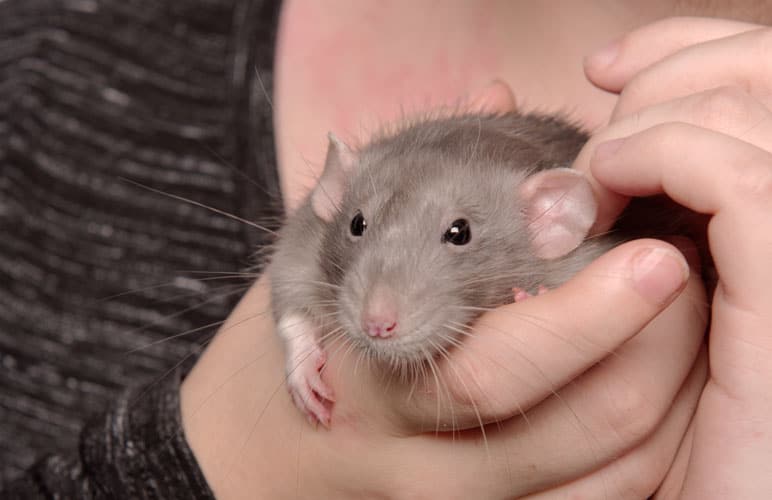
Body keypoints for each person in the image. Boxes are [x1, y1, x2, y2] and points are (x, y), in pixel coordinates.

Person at [1, 2, 770, 499]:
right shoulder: (41, 68)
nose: (377, 314)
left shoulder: (573, 235)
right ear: (338, 191)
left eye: (458, 237)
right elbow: (305, 269)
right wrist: (219, 463)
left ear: (556, 217)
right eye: (360, 229)